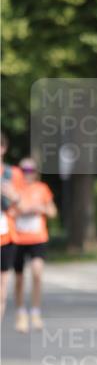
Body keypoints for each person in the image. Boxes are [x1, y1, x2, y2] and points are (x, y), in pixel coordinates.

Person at [13, 158, 57, 333]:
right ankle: (21, 313)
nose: (27, 173)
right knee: (19, 279)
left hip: (38, 238)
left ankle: (36, 313)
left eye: (30, 170)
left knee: (37, 273)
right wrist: (21, 210)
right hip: (18, 238)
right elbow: (8, 211)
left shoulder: (42, 188)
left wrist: (40, 208)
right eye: (23, 170)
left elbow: (52, 212)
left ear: (36, 172)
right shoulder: (14, 189)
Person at [1, 132, 23, 320]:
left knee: (2, 290)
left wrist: (14, 197)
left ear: (3, 148)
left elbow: (22, 206)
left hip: (6, 236)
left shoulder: (13, 174)